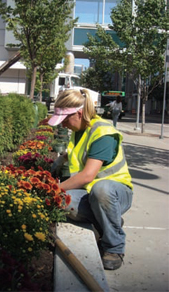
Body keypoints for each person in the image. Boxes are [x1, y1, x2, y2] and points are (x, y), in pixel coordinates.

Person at [48, 89, 133, 270]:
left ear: (78, 113)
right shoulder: (79, 130)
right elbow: (73, 154)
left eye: (64, 120)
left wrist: (53, 189)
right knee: (62, 201)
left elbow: (87, 176)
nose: (63, 125)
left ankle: (114, 246)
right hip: (90, 193)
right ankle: (107, 221)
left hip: (115, 193)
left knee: (100, 190)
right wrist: (58, 161)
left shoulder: (103, 133)